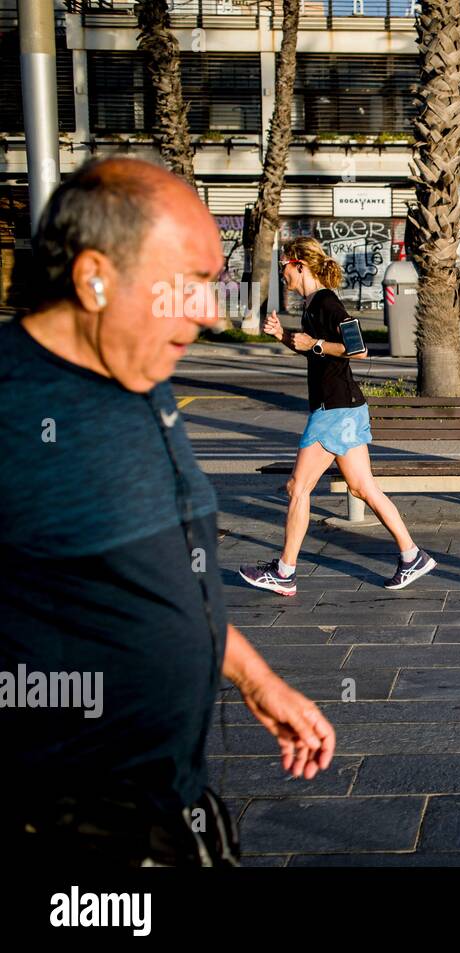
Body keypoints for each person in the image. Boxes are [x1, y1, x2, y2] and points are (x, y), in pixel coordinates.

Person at [0, 158, 335, 865]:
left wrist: (252, 675)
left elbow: (163, 574)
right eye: (188, 283)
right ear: (94, 276)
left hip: (171, 815)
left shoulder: (140, 374)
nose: (210, 313)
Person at [239, 237, 436, 595]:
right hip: (345, 407)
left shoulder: (327, 302)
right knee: (363, 488)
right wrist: (284, 336)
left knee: (297, 488)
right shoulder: (311, 304)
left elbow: (357, 348)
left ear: (299, 265)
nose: (281, 272)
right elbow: (315, 352)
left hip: (335, 410)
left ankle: (285, 572)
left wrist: (312, 343)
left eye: (283, 265)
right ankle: (412, 556)